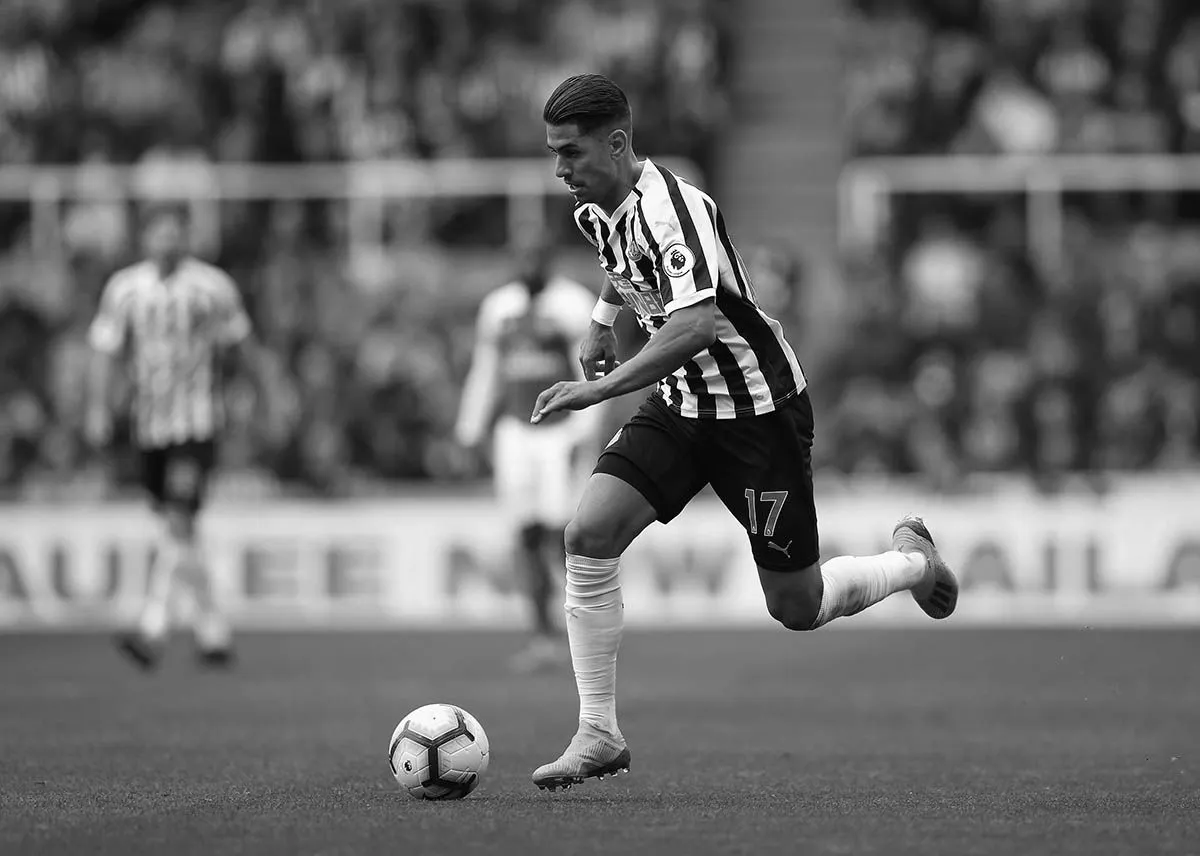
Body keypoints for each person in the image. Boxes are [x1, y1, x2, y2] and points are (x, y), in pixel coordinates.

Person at [528, 74, 959, 790]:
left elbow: (695, 325)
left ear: (618, 142)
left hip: (757, 414)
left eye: (570, 154)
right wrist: (603, 323)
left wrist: (601, 387)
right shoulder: (595, 210)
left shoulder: (676, 211)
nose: (560, 170)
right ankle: (598, 732)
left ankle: (911, 560)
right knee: (587, 536)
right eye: (553, 154)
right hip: (680, 407)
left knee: (797, 606)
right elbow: (621, 268)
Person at [85, 201, 268, 670]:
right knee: (178, 528)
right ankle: (213, 631)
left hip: (197, 422)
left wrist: (263, 395)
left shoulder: (211, 287)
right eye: (159, 231)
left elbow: (241, 345)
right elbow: (106, 351)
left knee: (179, 517)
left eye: (175, 231)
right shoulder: (124, 289)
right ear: (145, 238)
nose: (167, 239)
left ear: (187, 236)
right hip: (148, 425)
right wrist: (99, 407)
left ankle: (153, 628)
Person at [455, 237, 600, 672]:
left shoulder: (574, 304)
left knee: (565, 533)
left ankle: (585, 622)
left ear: (549, 259)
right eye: (521, 255)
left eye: (536, 254)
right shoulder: (498, 308)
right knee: (524, 532)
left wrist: (585, 428)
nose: (528, 263)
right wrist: (469, 429)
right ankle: (541, 633)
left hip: (560, 432)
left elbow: (593, 370)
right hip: (516, 430)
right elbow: (487, 371)